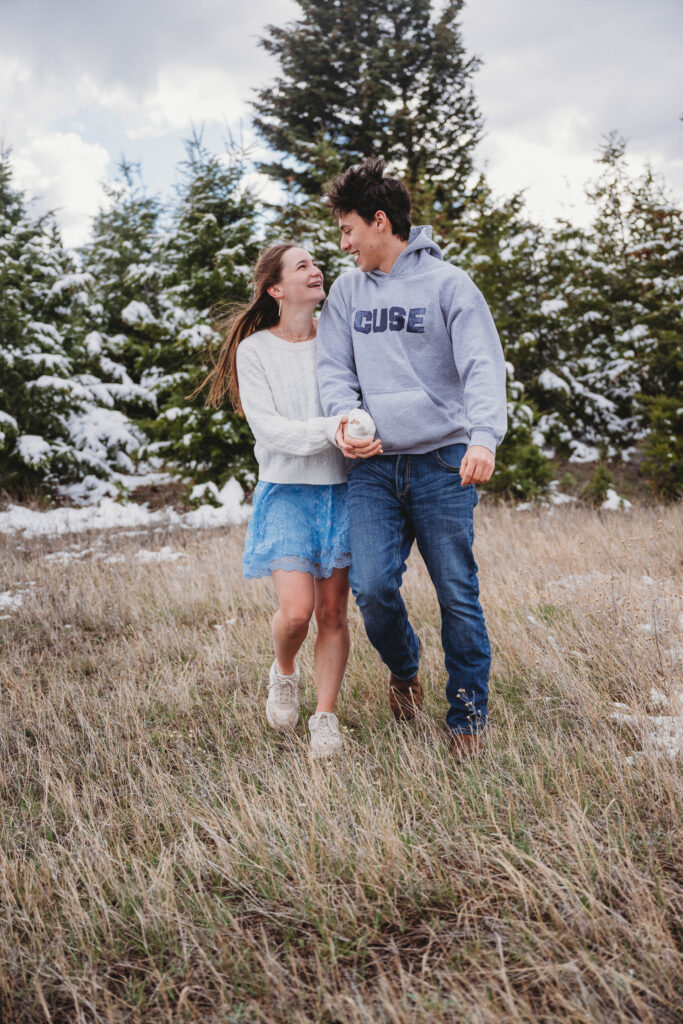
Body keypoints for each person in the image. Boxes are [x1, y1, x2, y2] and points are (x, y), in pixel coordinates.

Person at [316, 158, 507, 758]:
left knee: (456, 590)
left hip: (444, 462)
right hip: (372, 467)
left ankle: (468, 716)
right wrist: (347, 422)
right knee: (371, 589)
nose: (343, 244)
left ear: (379, 222)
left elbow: (482, 365)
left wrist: (483, 438)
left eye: (348, 230)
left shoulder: (450, 285)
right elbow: (334, 372)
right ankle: (404, 668)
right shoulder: (346, 293)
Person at [198, 243, 381, 758]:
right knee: (297, 612)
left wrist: (362, 431)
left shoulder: (339, 338)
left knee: (334, 613)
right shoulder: (254, 351)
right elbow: (271, 431)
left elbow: (363, 403)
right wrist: (335, 429)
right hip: (286, 492)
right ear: (275, 288)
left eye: (315, 262)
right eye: (302, 265)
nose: (316, 269)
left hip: (344, 490)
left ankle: (325, 716)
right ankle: (283, 672)